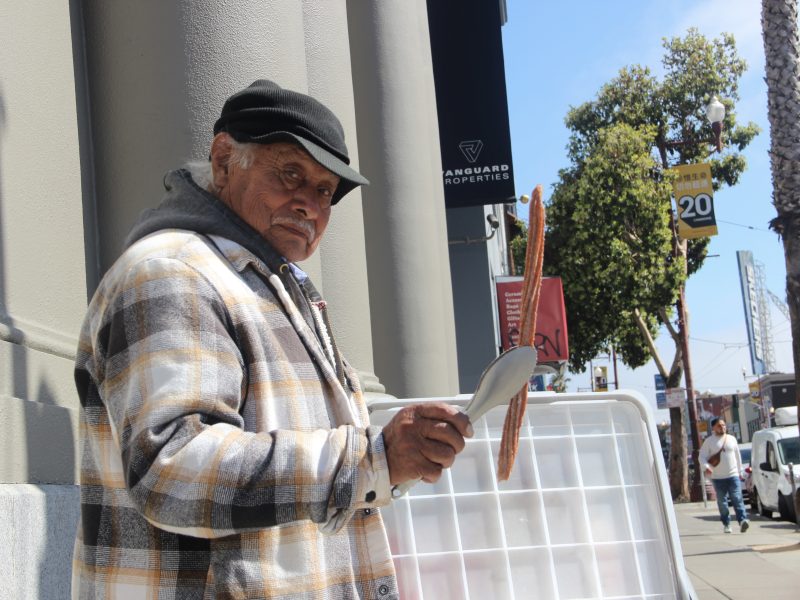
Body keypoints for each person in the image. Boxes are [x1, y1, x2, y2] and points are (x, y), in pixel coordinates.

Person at [72, 79, 473, 599]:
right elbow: (171, 468)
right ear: (223, 161)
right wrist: (369, 458)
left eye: (325, 191)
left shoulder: (272, 282)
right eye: (291, 174)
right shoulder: (172, 273)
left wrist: (397, 448)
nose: (309, 205)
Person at [699, 417, 749, 534]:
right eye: (719, 426)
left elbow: (737, 456)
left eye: (724, 425)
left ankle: (742, 521)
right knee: (722, 502)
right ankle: (726, 523)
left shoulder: (731, 439)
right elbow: (701, 457)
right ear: (714, 428)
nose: (722, 427)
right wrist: (707, 467)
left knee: (737, 498)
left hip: (733, 475)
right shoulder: (709, 442)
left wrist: (740, 470)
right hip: (718, 478)